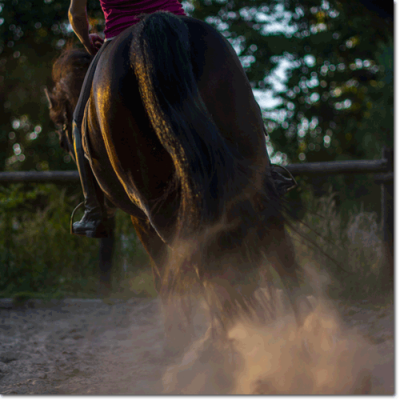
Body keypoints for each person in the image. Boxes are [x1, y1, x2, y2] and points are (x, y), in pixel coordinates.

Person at [68, 0, 186, 238]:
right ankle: (265, 172)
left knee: (79, 122)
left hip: (121, 33)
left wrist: (86, 39)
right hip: (179, 24)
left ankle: (94, 210)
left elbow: (76, 13)